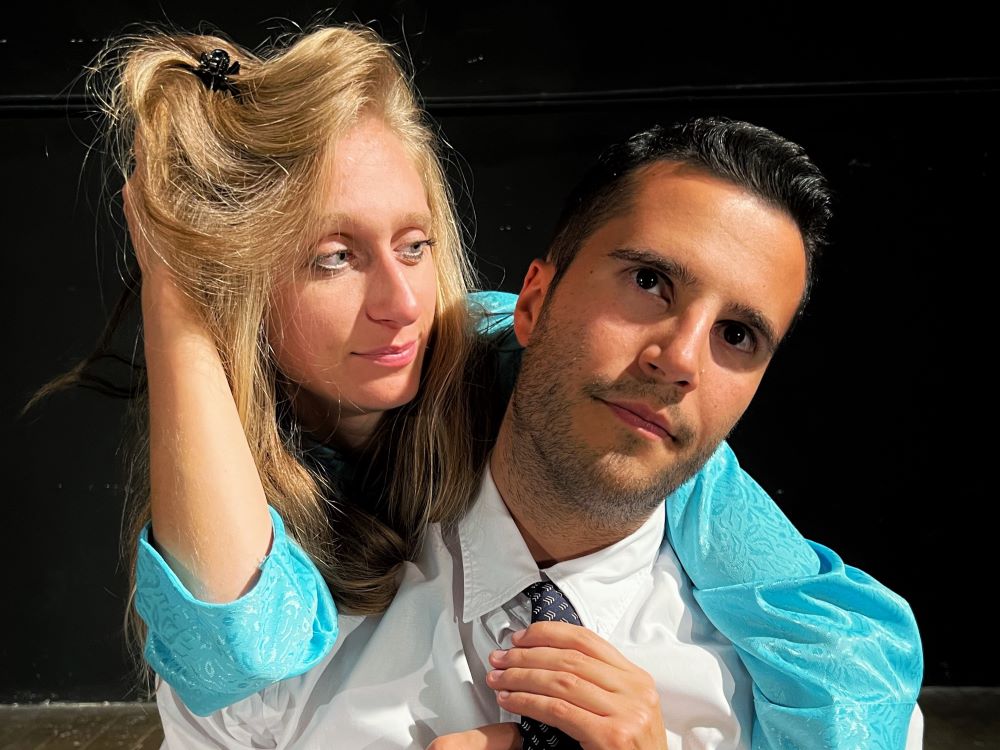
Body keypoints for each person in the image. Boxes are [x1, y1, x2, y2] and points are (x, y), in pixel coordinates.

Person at [144, 115, 924, 748]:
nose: (681, 360)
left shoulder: (821, 684)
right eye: (649, 282)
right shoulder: (280, 629)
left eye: (738, 335)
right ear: (533, 300)